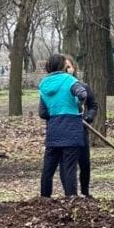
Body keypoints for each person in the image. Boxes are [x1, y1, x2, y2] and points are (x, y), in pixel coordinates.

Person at [38, 53, 92, 198]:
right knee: (69, 166)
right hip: (71, 127)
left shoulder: (43, 84)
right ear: (62, 65)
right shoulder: (69, 79)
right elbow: (82, 94)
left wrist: (55, 110)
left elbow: (43, 113)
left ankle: (44, 198)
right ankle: (71, 197)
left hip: (54, 129)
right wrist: (77, 105)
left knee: (48, 167)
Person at [64, 55, 99, 198]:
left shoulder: (83, 87)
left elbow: (93, 105)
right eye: (63, 67)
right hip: (65, 129)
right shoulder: (60, 88)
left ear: (74, 68)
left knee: (84, 163)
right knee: (68, 164)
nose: (66, 70)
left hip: (81, 128)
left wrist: (88, 117)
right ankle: (70, 194)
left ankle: (85, 191)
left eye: (68, 67)